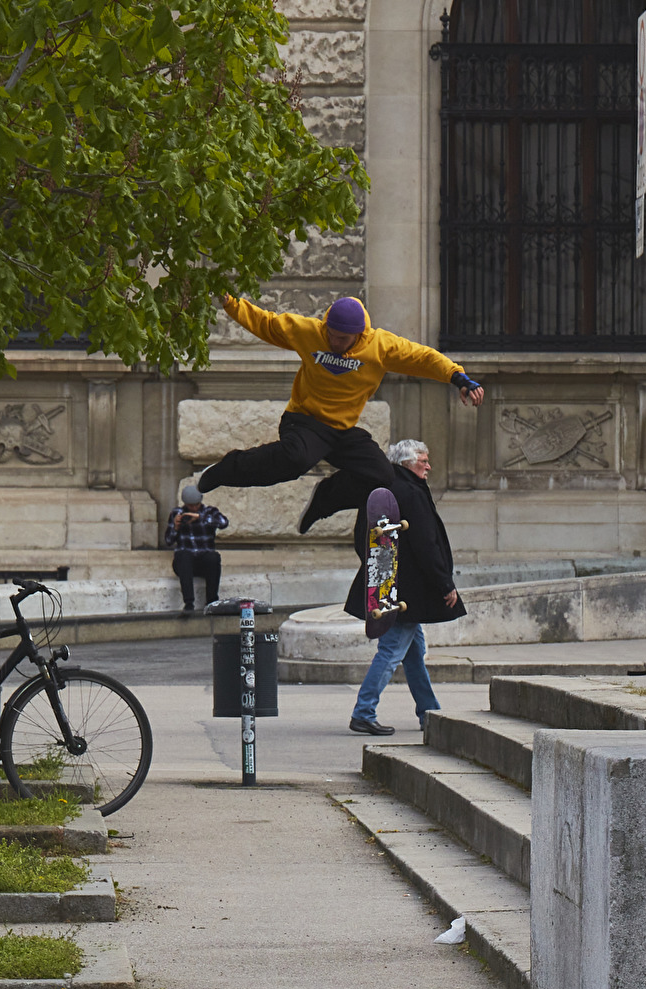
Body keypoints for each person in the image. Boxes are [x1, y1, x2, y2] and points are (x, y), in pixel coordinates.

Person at [196, 295, 485, 532]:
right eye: (332, 336)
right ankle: (228, 468)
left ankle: (325, 500)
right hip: (305, 421)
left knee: (382, 476)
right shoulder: (310, 332)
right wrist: (229, 302)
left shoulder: (381, 346)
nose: (335, 343)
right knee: (297, 459)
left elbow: (422, 357)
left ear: (358, 334)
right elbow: (265, 323)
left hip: (343, 431)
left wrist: (458, 378)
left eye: (343, 339)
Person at [344, 439, 466, 735]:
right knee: (391, 650)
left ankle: (429, 713)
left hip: (389, 587)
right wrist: (445, 584)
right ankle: (364, 711)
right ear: (406, 464)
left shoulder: (380, 491)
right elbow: (426, 544)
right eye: (423, 461)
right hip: (408, 593)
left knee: (413, 652)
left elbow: (363, 539)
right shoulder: (411, 492)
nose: (428, 466)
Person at [165, 485, 228, 615]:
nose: (193, 508)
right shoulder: (177, 514)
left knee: (213, 557)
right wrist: (175, 527)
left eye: (196, 505)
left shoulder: (209, 512)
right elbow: (168, 541)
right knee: (183, 555)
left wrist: (201, 517)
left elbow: (223, 523)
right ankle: (188, 603)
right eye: (190, 506)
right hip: (185, 563)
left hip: (204, 560)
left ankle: (212, 601)